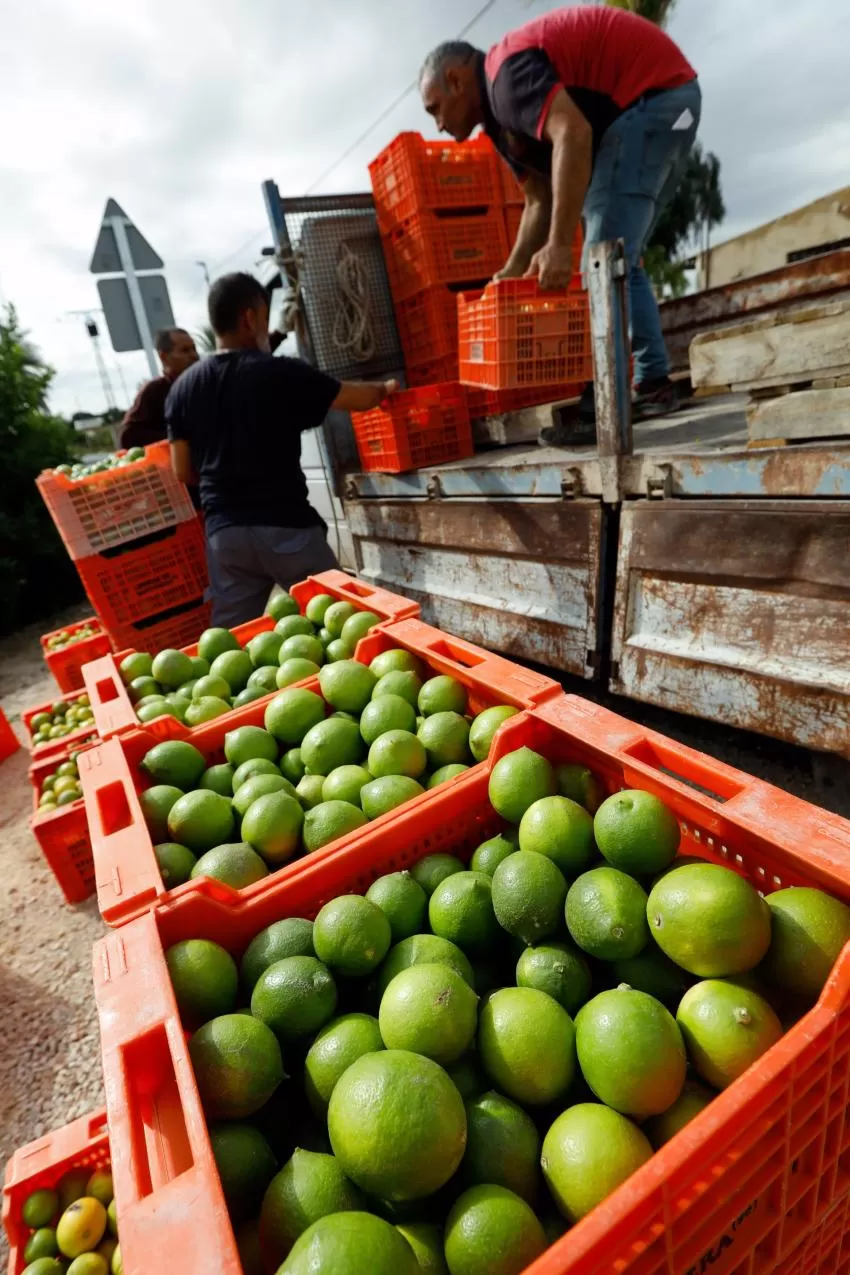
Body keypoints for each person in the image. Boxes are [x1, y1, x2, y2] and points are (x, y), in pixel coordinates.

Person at [420, 6, 701, 423]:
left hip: (657, 97)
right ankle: (651, 382)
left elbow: (573, 132)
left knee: (601, 257)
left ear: (457, 80)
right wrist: (510, 273)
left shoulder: (506, 79)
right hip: (672, 104)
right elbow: (538, 198)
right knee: (620, 255)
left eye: (435, 108)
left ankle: (622, 394)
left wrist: (557, 246)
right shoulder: (500, 125)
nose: (438, 124)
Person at [166, 271, 397, 627]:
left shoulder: (182, 389)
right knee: (341, 622)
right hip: (287, 529)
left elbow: (182, 471)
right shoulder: (281, 374)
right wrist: (387, 388)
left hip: (225, 538)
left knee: (229, 644)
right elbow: (357, 397)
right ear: (250, 317)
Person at [119, 328, 198, 448]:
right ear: (164, 357)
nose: (194, 355)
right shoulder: (155, 391)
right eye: (185, 350)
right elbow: (128, 436)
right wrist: (175, 437)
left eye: (194, 349)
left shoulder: (206, 384)